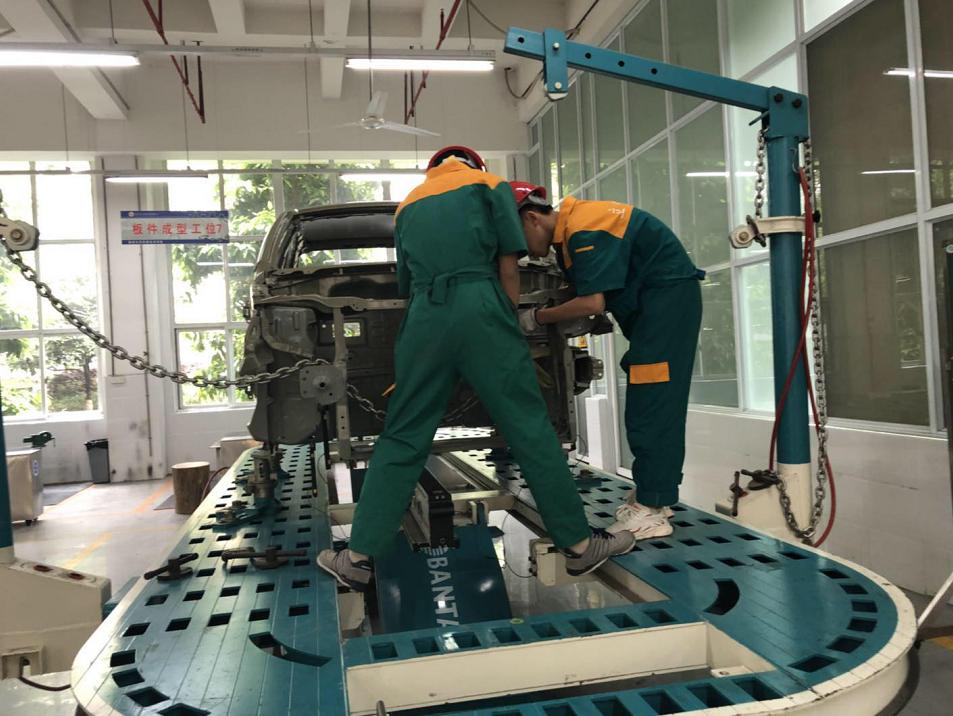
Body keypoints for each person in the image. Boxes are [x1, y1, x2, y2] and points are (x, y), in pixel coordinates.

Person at [317, 147, 634, 591]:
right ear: (474, 164)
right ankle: (580, 547)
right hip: (481, 306)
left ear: (431, 170)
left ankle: (357, 558)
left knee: (403, 434)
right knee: (528, 427)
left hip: (425, 316)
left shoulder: (408, 205)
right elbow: (509, 264)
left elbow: (406, 281)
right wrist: (504, 321)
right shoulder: (490, 186)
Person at [511, 182, 703, 539]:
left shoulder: (584, 230)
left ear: (532, 218)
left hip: (664, 311)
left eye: (516, 237)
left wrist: (536, 317)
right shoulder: (573, 231)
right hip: (656, 312)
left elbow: (592, 302)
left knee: (651, 406)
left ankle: (651, 509)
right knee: (650, 403)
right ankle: (654, 497)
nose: (519, 250)